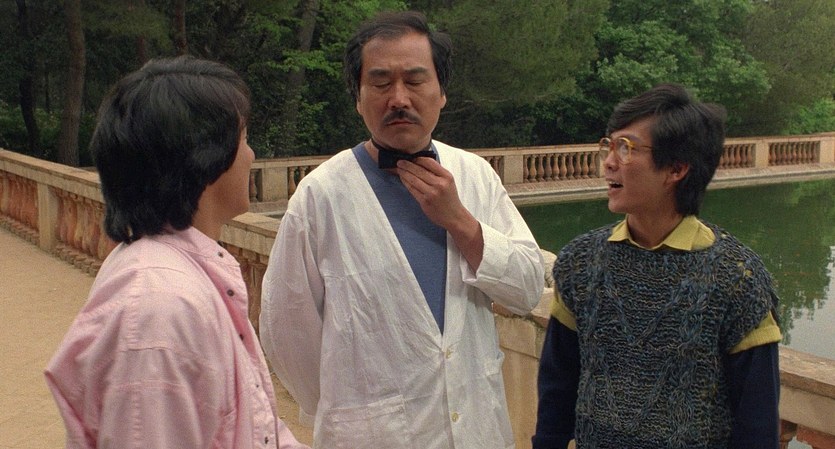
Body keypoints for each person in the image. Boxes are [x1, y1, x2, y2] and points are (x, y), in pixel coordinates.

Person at [259, 10, 545, 449]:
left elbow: (526, 288)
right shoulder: (320, 197)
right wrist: (350, 408)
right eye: (380, 83)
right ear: (357, 98)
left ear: (441, 92)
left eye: (414, 80)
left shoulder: (475, 177)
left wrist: (460, 221)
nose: (398, 98)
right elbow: (286, 330)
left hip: (477, 429)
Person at [44, 56, 308, 449]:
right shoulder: (161, 310)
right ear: (205, 158)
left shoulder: (177, 277)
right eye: (243, 139)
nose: (251, 156)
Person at [532, 83, 782, 449]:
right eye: (609, 145)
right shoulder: (580, 264)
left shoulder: (738, 279)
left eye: (626, 148)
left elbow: (758, 426)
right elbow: (556, 391)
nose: (609, 162)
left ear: (676, 169)